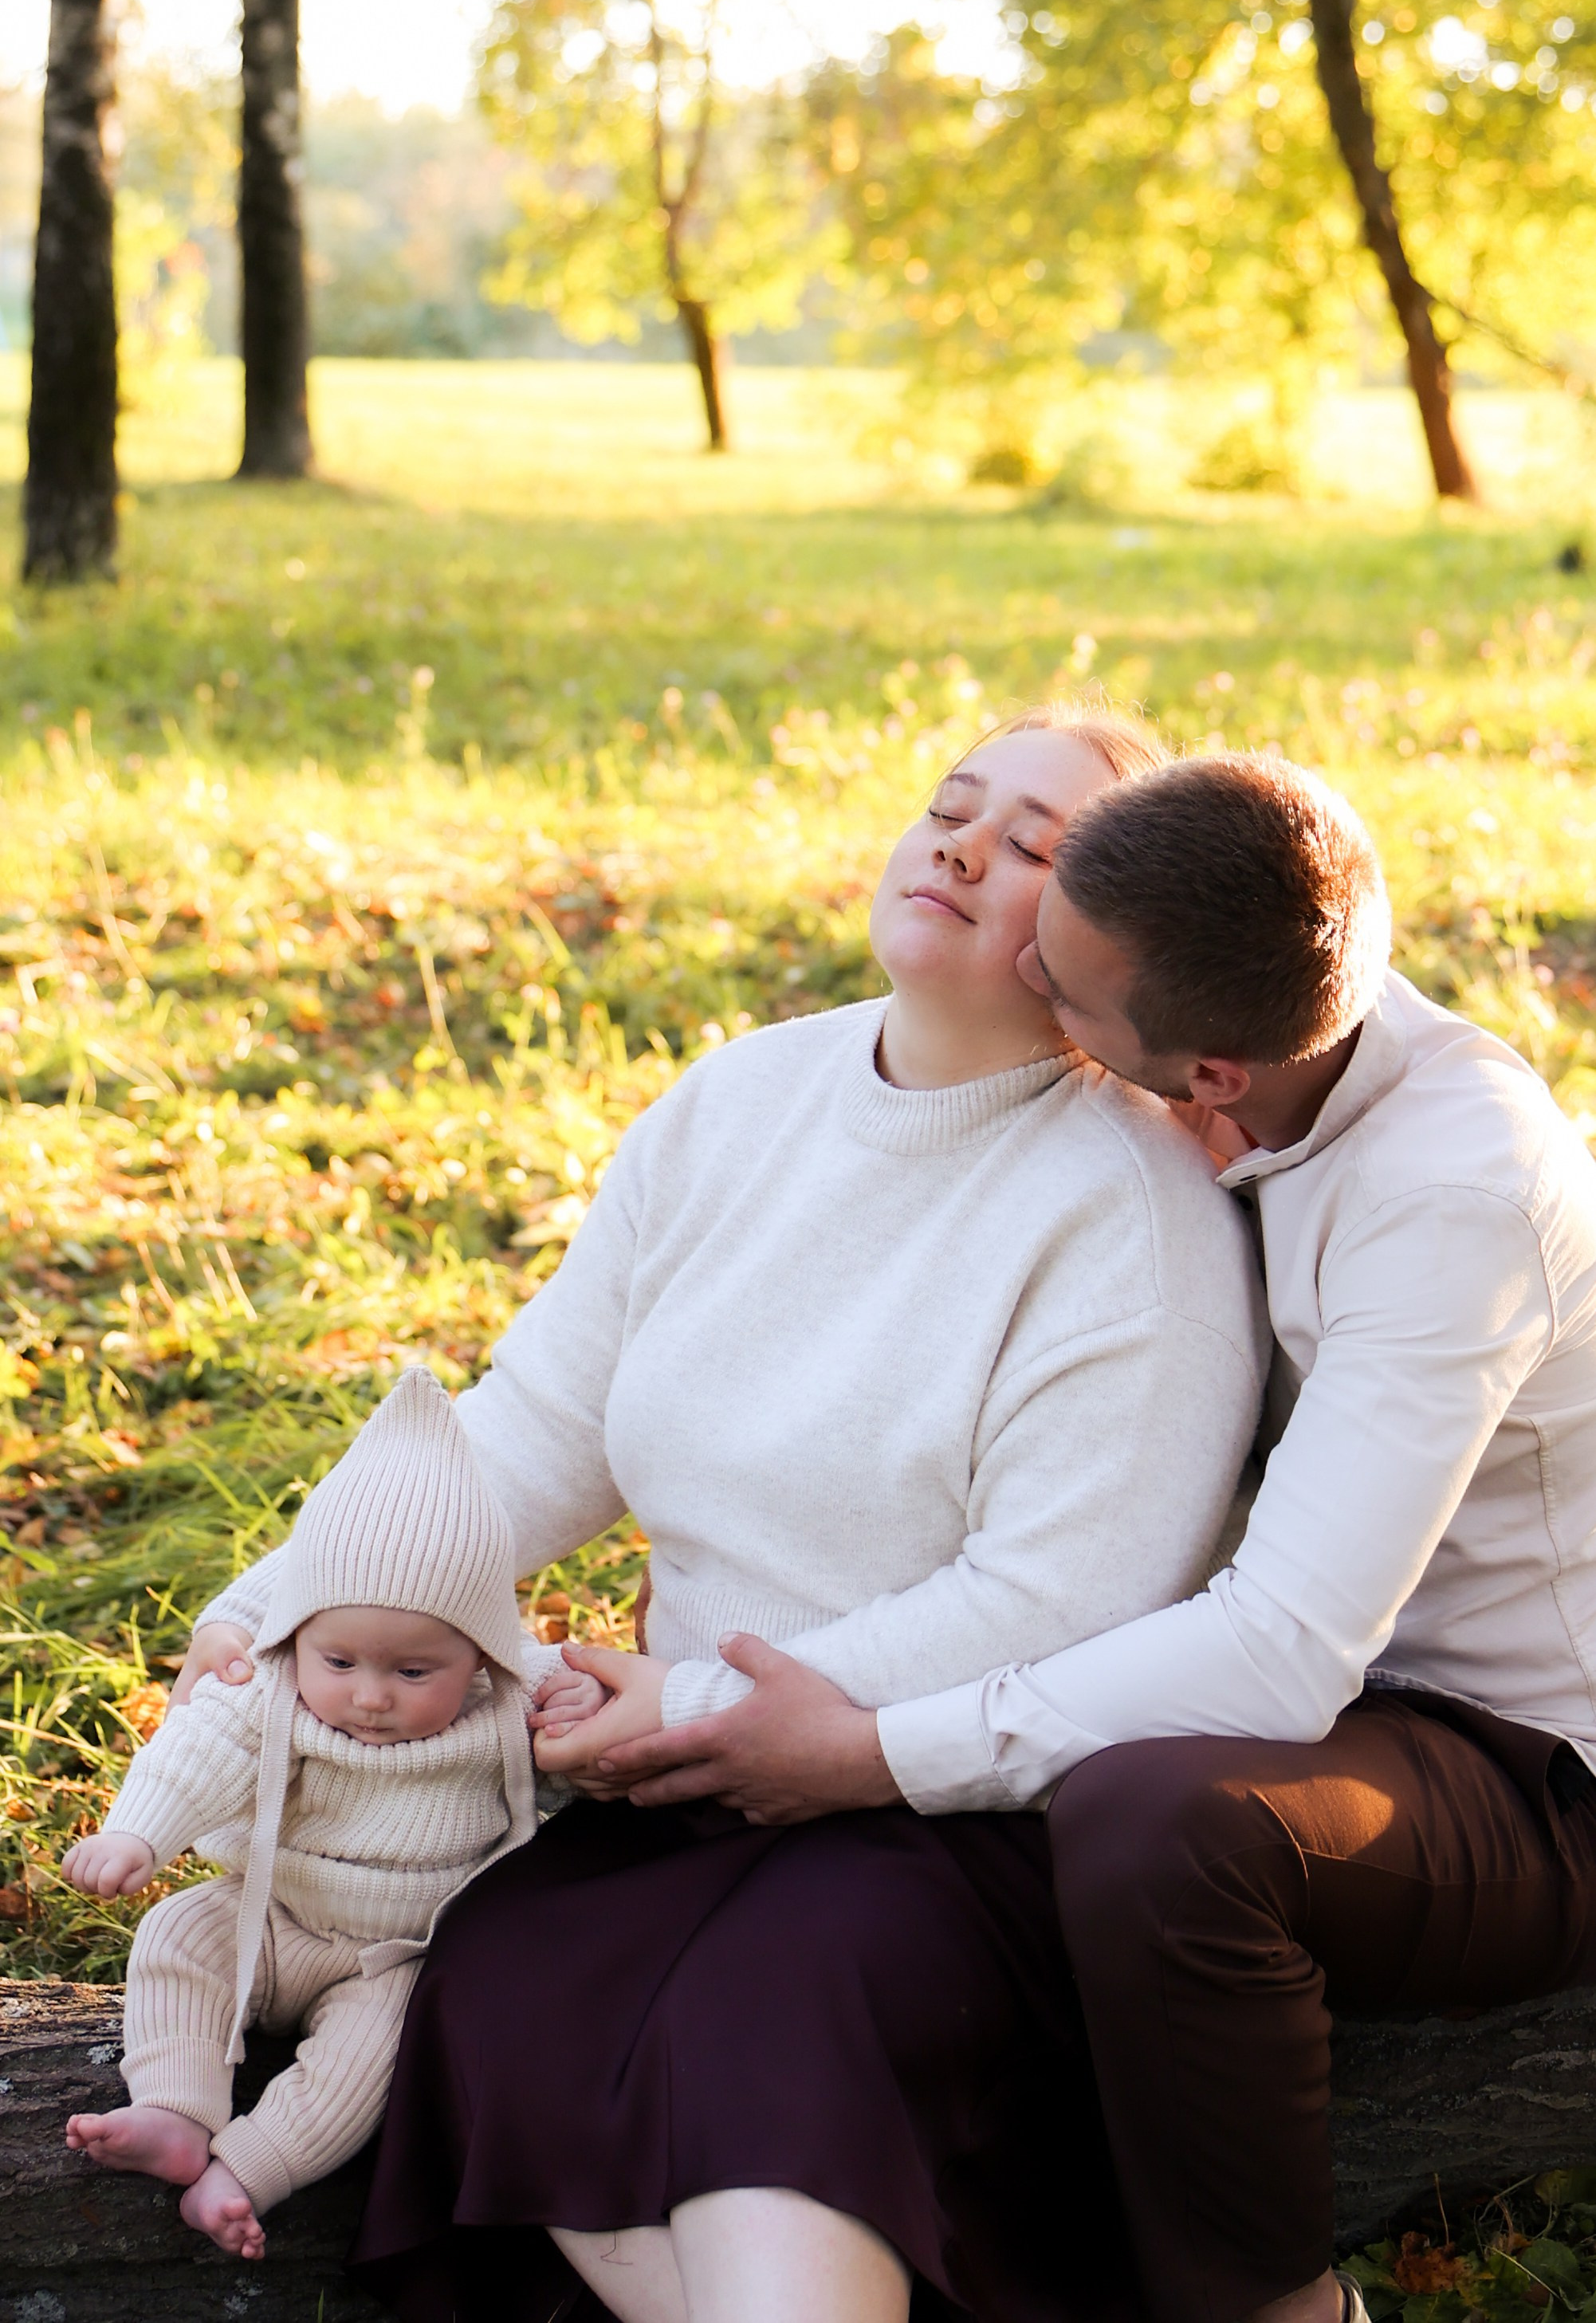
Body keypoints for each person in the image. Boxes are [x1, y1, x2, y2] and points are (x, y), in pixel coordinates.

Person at [173, 709, 1269, 2323]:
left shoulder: (1132, 1221)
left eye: (1034, 844)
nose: (961, 845)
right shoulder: (738, 1102)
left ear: (1123, 943)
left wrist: (692, 1702)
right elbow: (540, 1421)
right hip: (672, 1799)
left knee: (773, 2016)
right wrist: (283, 1601)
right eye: (949, 807)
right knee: (500, 1976)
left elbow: (1067, 1596)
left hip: (952, 1814)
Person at [594, 754, 1596, 2323]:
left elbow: (1274, 1651)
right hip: (1328, 1695)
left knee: (1152, 1815)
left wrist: (873, 1748)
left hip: (1516, 1759)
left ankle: (1266, 2307)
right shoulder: (1246, 1014)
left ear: (1197, 1071)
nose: (1017, 973)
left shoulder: (1448, 1189)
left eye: (1054, 987)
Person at [62, 1366, 550, 2262]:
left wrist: (602, 1722)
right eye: (340, 1660)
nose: (368, 1697)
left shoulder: (508, 1711)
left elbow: (591, 1748)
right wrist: (137, 1831)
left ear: (482, 1655)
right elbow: (200, 1749)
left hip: (394, 1954)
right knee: (175, 1935)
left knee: (377, 2053)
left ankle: (252, 2169)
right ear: (297, 1634)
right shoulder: (274, 1689)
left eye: (413, 1674)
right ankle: (173, 2107)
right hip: (269, 1914)